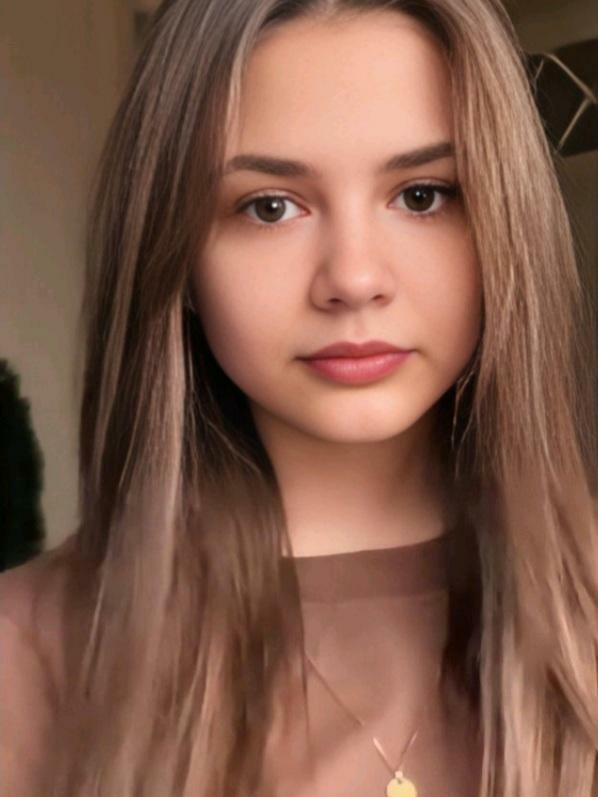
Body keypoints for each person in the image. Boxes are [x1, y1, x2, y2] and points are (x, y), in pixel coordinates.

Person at [1, 1, 597, 795]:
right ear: (174, 260)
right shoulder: (27, 653)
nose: (354, 277)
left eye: (423, 195)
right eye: (270, 206)